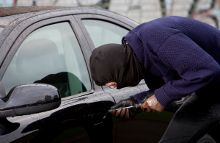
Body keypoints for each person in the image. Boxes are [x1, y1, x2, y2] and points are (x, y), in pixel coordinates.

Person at [89, 16, 220, 143]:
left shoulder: (156, 37)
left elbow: (207, 70)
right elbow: (166, 86)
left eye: (112, 83)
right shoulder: (139, 57)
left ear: (119, 67)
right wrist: (136, 102)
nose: (115, 87)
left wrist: (162, 96)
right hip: (208, 95)